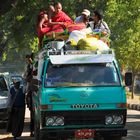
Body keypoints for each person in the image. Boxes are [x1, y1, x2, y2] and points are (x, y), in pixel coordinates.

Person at [24, 54, 34, 137]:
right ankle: (32, 131)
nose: (28, 60)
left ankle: (33, 131)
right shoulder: (29, 66)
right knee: (32, 115)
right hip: (30, 91)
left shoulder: (33, 65)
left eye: (29, 58)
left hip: (33, 90)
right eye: (27, 59)